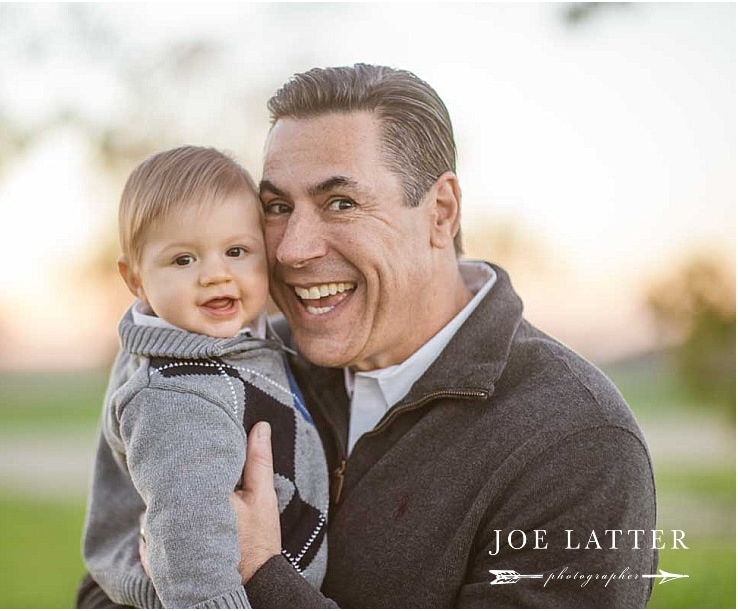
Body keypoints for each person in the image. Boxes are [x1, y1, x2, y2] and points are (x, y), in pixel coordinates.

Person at [78, 64, 657, 608]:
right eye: (277, 206)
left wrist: (260, 574)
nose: (292, 250)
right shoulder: (228, 364)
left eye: (341, 203)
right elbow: (106, 582)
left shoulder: (577, 442)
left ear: (441, 212)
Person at [80, 146, 328, 608]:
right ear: (135, 279)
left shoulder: (231, 347)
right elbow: (189, 546)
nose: (216, 274)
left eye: (236, 251)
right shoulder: (177, 394)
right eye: (183, 260)